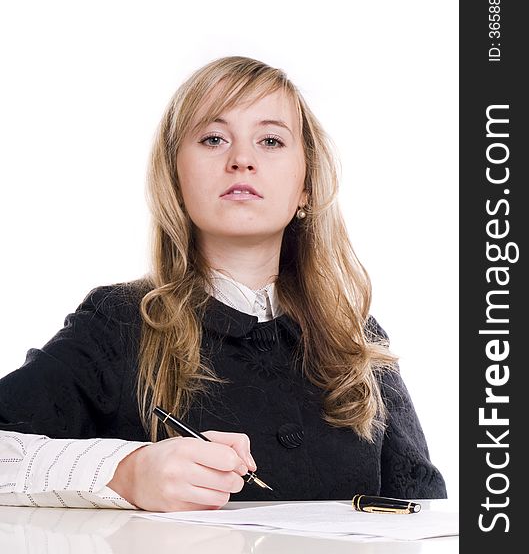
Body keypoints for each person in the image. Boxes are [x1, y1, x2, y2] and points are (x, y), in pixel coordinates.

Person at [0, 56, 447, 512]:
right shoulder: (119, 321)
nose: (242, 160)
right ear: (175, 177)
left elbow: (424, 514)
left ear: (307, 185)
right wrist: (125, 471)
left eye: (271, 140)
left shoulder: (356, 339)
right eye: (213, 139)